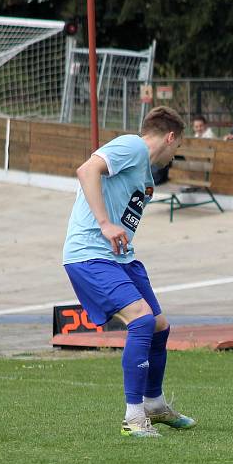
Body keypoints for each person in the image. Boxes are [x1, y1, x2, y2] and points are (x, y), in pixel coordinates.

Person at [62, 106, 196, 438]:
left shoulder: (145, 175)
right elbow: (87, 169)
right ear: (169, 137)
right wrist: (105, 223)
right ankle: (133, 417)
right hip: (89, 255)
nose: (174, 155)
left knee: (160, 326)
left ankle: (154, 405)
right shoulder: (132, 146)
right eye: (177, 147)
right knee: (141, 319)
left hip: (122, 259)